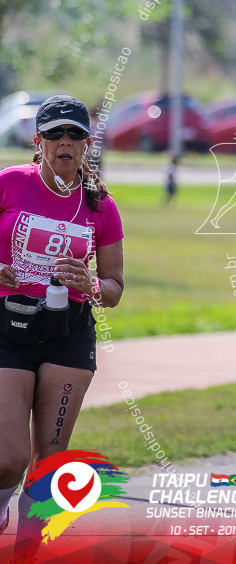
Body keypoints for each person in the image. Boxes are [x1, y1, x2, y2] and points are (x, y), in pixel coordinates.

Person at [0, 95, 125, 540]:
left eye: (75, 133)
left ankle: (29, 549)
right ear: (38, 141)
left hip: (67, 332)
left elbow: (113, 288)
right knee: (7, 460)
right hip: (7, 328)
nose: (65, 141)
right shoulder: (10, 183)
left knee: (48, 463)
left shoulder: (101, 207)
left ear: (87, 143)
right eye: (55, 133)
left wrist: (88, 282)